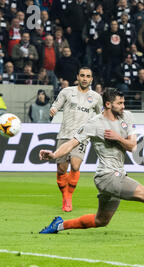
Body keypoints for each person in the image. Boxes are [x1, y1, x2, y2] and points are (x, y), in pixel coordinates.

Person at [38, 88, 144, 239]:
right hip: (107, 176)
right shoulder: (94, 123)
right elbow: (71, 143)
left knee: (101, 220)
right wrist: (54, 155)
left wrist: (117, 137)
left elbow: (132, 146)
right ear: (108, 104)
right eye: (120, 103)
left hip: (116, 174)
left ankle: (59, 225)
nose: (123, 106)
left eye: (123, 102)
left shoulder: (127, 116)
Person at [49, 67, 102, 212]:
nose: (85, 78)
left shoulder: (96, 97)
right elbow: (56, 105)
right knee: (61, 169)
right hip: (64, 135)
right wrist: (53, 110)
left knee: (75, 165)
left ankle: (68, 198)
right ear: (77, 77)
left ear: (91, 79)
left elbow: (101, 116)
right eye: (82, 76)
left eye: (88, 76)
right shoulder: (66, 91)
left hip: (82, 137)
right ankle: (64, 195)